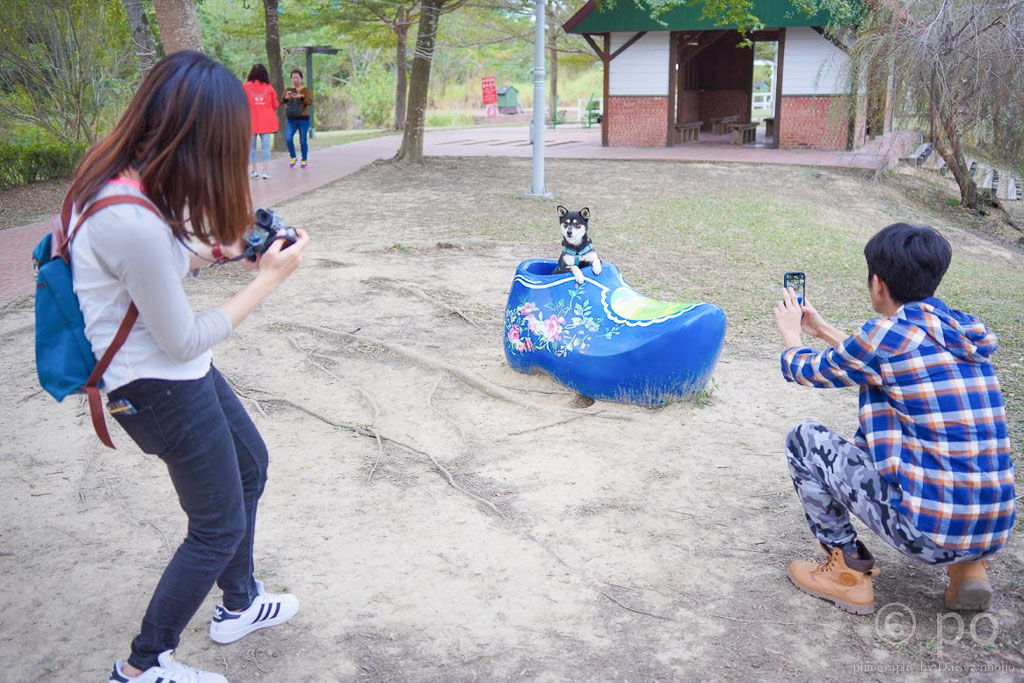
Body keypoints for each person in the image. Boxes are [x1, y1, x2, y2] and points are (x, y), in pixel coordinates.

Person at [66, 51, 310, 683]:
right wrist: (269, 280)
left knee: (251, 464)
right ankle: (142, 665)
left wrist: (224, 255)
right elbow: (181, 338)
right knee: (216, 526)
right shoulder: (131, 219)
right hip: (156, 386)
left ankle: (241, 602)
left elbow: (145, 282)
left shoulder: (116, 174)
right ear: (202, 135)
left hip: (173, 372)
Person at [774, 223, 1015, 616]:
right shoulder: (963, 331)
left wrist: (792, 338)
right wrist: (819, 328)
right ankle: (969, 568)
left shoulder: (885, 338)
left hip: (927, 534)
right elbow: (878, 364)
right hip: (993, 527)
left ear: (878, 284)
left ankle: (847, 575)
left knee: (803, 440)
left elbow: (808, 370)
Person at [242, 63, 278, 179]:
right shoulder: (269, 88)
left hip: (251, 122)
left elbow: (241, 104)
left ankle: (253, 171)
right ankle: (266, 172)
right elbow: (275, 105)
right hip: (266, 122)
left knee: (251, 147)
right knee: (265, 147)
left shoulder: (245, 87)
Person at [281, 68, 313, 169]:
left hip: (303, 119)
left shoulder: (306, 90)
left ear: (301, 79)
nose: (295, 80)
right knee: (288, 138)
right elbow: (281, 102)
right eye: (293, 78)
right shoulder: (288, 90)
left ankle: (304, 159)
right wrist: (286, 98)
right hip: (291, 119)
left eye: (297, 77)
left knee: (303, 140)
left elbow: (310, 102)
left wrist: (301, 97)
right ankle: (293, 156)